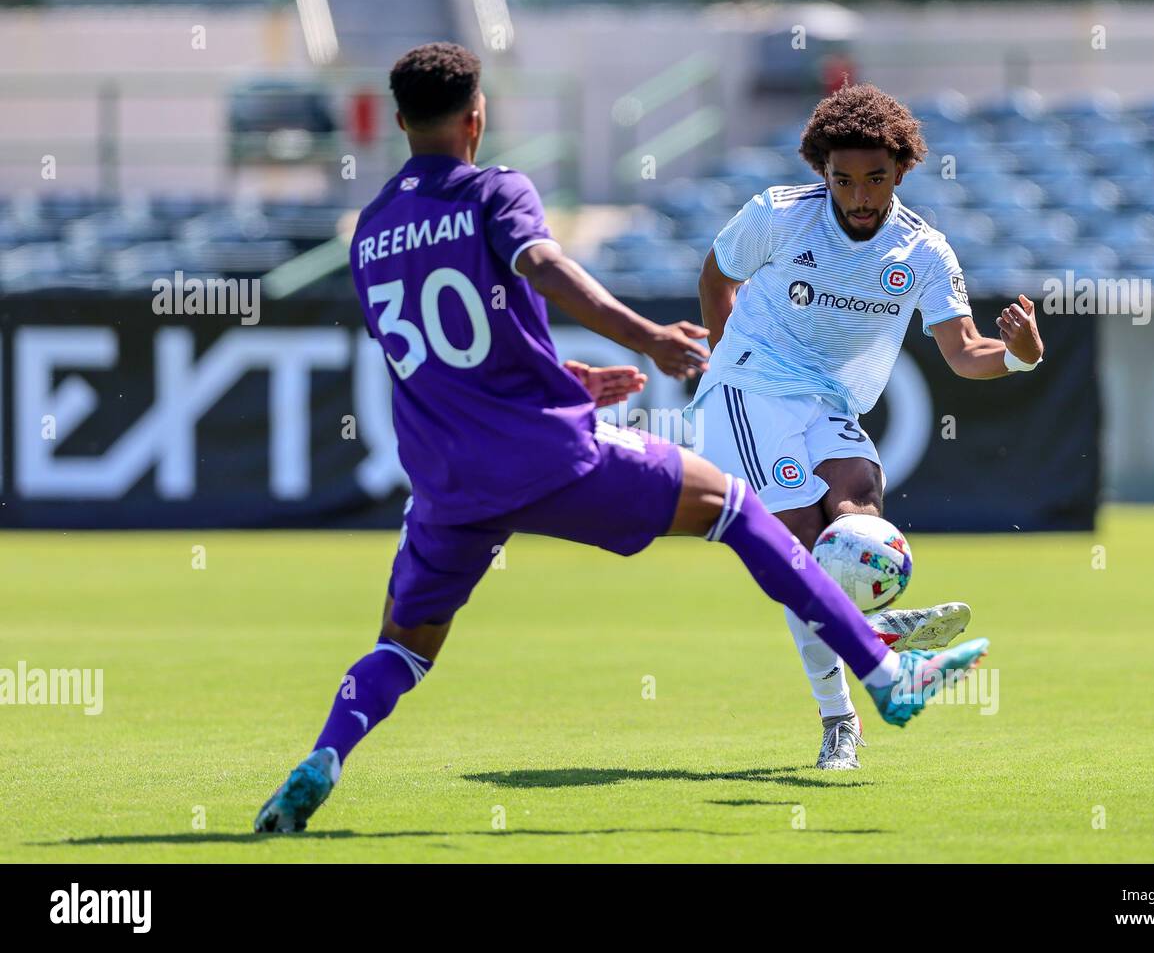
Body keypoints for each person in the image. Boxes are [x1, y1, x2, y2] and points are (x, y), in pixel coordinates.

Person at [254, 45, 988, 833]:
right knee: (738, 513)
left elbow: (440, 355)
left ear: (398, 121)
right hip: (545, 452)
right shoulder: (496, 190)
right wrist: (647, 337)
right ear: (479, 115)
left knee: (404, 647)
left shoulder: (369, 232)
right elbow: (542, 265)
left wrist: (561, 375)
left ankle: (324, 757)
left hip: (443, 481)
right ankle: (882, 674)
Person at [690, 83, 1043, 769]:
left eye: (874, 179)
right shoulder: (778, 216)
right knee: (796, 551)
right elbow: (716, 275)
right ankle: (841, 720)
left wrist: (1021, 358)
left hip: (829, 404)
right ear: (822, 170)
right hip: (750, 390)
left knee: (857, 510)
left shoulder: (923, 252)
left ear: (901, 172)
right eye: (843, 179)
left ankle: (866, 628)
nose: (858, 196)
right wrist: (721, 355)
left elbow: (965, 353)